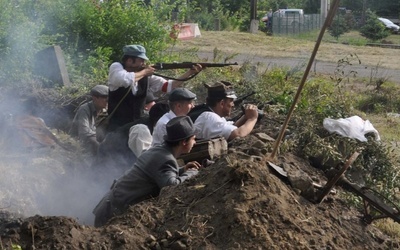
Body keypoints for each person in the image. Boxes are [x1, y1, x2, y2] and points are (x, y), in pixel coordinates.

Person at [93, 116, 201, 227]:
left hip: (111, 206)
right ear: (184, 142)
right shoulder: (166, 158)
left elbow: (158, 174)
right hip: (113, 214)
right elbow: (170, 186)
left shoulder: (159, 151)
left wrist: (182, 170)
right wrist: (191, 173)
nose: (195, 142)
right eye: (193, 138)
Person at [107, 44, 202, 132]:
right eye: (141, 60)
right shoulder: (117, 67)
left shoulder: (144, 74)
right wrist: (145, 72)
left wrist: (190, 73)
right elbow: (125, 79)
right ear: (129, 61)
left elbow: (168, 86)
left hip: (136, 126)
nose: (144, 64)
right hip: (116, 127)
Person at [91, 102, 169, 181]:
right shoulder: (141, 130)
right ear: (159, 120)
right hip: (108, 163)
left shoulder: (150, 126)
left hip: (117, 162)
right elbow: (146, 158)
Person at [192, 81, 258, 141]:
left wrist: (246, 116)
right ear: (222, 103)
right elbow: (238, 134)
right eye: (231, 101)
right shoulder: (209, 117)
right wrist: (252, 119)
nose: (233, 105)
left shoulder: (207, 113)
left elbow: (231, 127)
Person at [70, 85, 109, 155]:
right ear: (94, 98)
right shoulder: (84, 109)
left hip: (94, 139)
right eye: (104, 97)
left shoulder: (105, 110)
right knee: (98, 146)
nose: (107, 100)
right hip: (79, 143)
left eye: (108, 97)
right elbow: (84, 133)